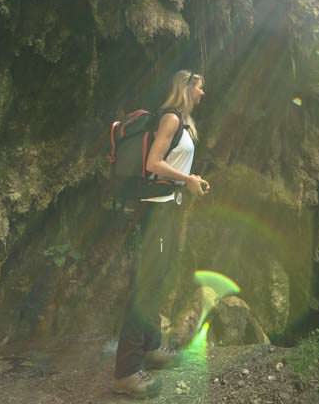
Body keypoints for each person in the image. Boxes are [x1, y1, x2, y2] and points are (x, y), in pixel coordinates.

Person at [111, 70, 211, 398]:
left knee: (159, 277)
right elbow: (153, 162)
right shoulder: (170, 118)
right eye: (199, 86)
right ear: (186, 86)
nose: (203, 93)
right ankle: (126, 371)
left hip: (165, 208)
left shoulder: (182, 121)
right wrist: (187, 181)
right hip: (154, 211)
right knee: (148, 281)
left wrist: (188, 177)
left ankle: (151, 345)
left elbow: (169, 164)